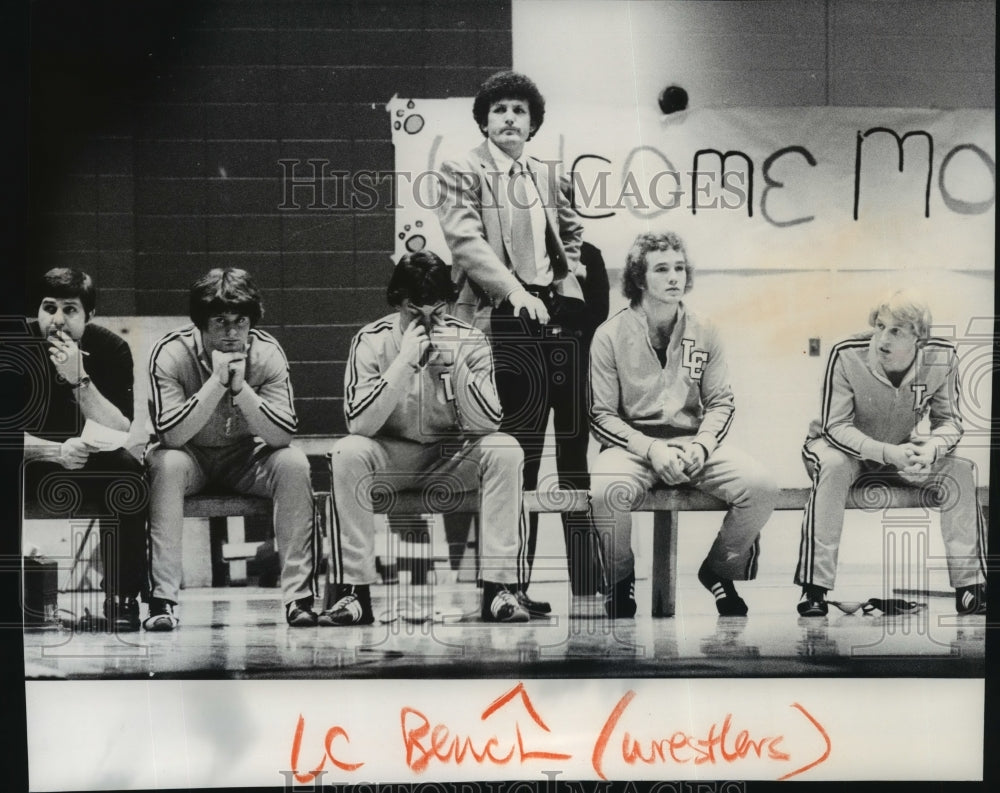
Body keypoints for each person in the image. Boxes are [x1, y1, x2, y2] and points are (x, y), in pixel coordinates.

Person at [435, 70, 593, 611]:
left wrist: (564, 279)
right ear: (484, 119)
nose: (509, 118)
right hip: (498, 317)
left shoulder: (547, 173)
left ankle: (584, 588)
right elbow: (464, 239)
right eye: (499, 109)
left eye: (519, 111)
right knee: (518, 452)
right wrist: (512, 290)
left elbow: (571, 232)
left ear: (532, 123)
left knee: (572, 446)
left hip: (551, 314)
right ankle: (505, 587)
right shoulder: (462, 168)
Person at [325, 250, 530, 625]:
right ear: (397, 303)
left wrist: (458, 370)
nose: (426, 323)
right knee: (347, 451)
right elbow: (359, 425)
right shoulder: (370, 341)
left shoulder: (469, 340)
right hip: (392, 459)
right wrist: (403, 363)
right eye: (413, 313)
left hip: (450, 459)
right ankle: (354, 593)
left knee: (506, 449)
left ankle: (500, 589)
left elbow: (489, 423)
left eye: (436, 312)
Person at [589, 232, 777, 618]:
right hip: (633, 449)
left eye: (679, 267)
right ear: (640, 279)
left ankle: (719, 571)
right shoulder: (609, 336)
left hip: (693, 445)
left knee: (761, 486)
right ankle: (620, 581)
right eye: (662, 269)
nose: (674, 277)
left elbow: (721, 402)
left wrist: (702, 445)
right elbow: (600, 415)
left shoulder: (704, 331)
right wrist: (651, 449)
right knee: (605, 490)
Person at [795, 290, 987, 617]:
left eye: (895, 330)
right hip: (837, 448)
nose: (882, 337)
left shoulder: (941, 358)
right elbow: (835, 426)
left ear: (918, 336)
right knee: (833, 467)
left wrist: (931, 448)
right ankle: (814, 589)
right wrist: (888, 453)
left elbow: (950, 423)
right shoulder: (847, 353)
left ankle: (971, 588)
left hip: (899, 449)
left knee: (959, 470)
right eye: (880, 326)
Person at [145, 268, 317, 630]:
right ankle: (162, 601)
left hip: (245, 459)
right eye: (220, 321)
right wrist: (216, 383)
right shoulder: (171, 353)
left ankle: (299, 599)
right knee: (165, 463)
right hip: (191, 458)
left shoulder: (267, 353)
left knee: (293, 463)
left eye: (240, 321)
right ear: (202, 324)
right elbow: (171, 436)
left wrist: (241, 390)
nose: (232, 333)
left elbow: (282, 436)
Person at [21, 268, 148, 631]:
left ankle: (122, 599)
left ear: (89, 316)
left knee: (127, 473)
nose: (57, 320)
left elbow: (121, 429)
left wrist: (78, 378)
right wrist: (53, 451)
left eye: (70, 310)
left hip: (85, 462)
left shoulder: (111, 349)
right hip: (27, 461)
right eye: (49, 308)